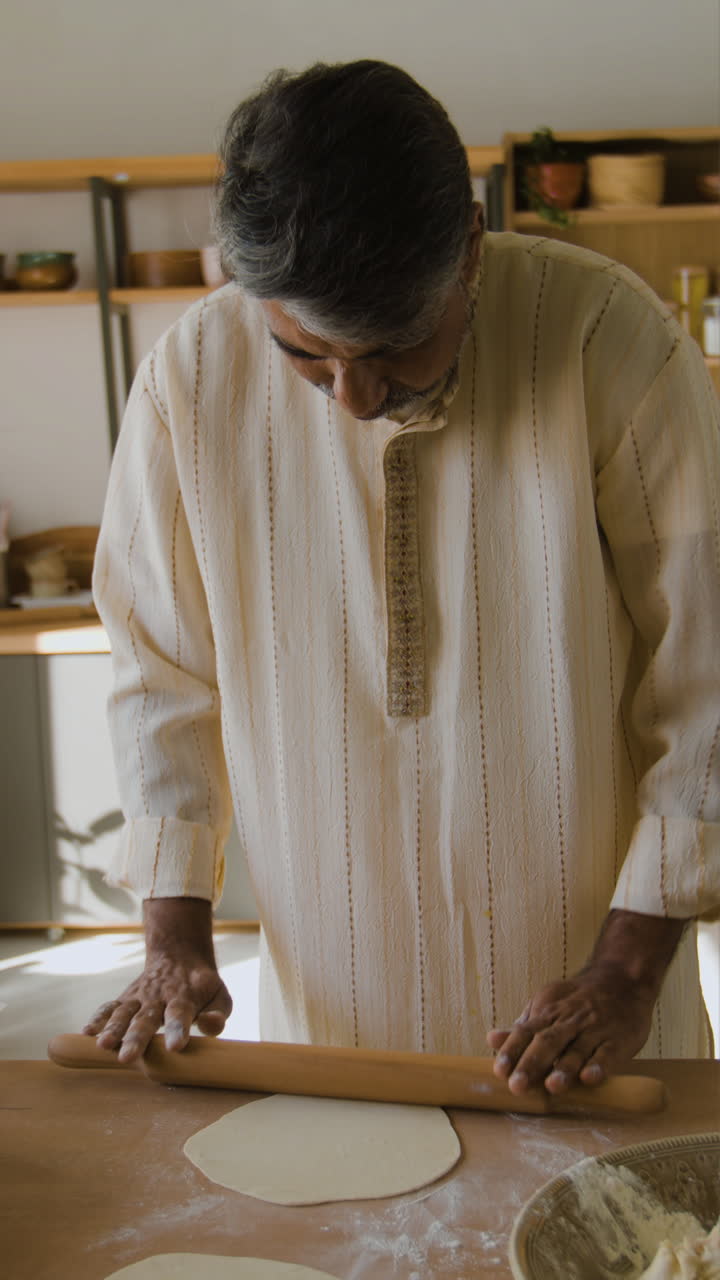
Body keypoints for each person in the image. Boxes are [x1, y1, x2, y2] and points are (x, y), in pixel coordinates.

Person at [84, 59, 720, 1096]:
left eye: (395, 348)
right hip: (329, 1019)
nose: (354, 398)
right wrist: (174, 937)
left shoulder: (611, 338)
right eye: (306, 359)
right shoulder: (192, 380)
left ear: (468, 247)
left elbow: (705, 685)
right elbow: (160, 677)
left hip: (593, 1024)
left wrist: (623, 971)